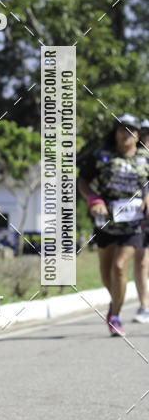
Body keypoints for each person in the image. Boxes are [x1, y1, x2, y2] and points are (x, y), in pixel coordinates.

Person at [78, 114, 149, 336]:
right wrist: (93, 199)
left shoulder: (145, 157)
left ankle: (115, 316)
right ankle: (115, 301)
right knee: (106, 271)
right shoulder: (102, 155)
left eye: (130, 130)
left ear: (137, 134)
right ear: (115, 133)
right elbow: (83, 180)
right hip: (106, 220)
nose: (125, 134)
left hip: (133, 223)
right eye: (121, 129)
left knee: (119, 267)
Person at [133, 118, 149, 322]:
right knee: (141, 260)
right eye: (144, 134)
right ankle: (144, 306)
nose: (146, 138)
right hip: (140, 217)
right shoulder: (134, 159)